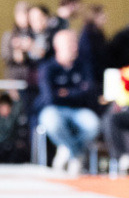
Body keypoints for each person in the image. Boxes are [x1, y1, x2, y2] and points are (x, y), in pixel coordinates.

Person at [37, 30, 100, 176]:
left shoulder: (83, 66)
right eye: (70, 44)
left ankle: (66, 149)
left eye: (75, 43)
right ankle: (76, 154)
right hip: (54, 109)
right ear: (58, 47)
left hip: (79, 110)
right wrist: (76, 92)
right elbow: (50, 98)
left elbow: (89, 92)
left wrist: (65, 93)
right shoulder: (47, 68)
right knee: (52, 122)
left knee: (94, 125)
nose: (75, 47)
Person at [0, 0, 33, 83]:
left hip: (31, 76)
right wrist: (15, 53)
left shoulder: (33, 34)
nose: (25, 18)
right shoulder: (9, 35)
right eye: (22, 15)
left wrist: (28, 49)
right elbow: (4, 55)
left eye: (27, 15)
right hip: (13, 76)